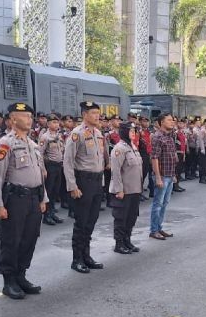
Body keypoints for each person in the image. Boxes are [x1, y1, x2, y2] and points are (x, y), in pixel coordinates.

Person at [0, 102, 47, 299]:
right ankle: (9, 280)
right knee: (11, 240)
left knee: (29, 238)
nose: (29, 119)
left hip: (33, 198)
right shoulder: (6, 143)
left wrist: (42, 198)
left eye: (30, 116)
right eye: (24, 116)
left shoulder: (33, 144)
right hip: (15, 199)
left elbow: (39, 173)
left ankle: (21, 275)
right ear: (13, 119)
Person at [63, 101, 109, 274]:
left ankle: (86, 255)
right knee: (81, 222)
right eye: (94, 113)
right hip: (83, 181)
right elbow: (67, 161)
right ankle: (77, 259)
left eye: (98, 113)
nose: (98, 116)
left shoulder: (98, 133)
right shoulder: (77, 134)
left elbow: (100, 160)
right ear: (84, 115)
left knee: (92, 220)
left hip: (97, 181)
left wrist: (102, 182)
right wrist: (72, 186)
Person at [109, 123, 143, 254]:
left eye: (134, 130)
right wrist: (119, 190)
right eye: (130, 131)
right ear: (123, 132)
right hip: (124, 190)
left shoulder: (133, 146)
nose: (133, 133)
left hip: (135, 189)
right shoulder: (119, 148)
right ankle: (119, 243)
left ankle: (127, 240)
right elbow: (116, 171)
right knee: (121, 218)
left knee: (131, 217)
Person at [149, 113, 178, 240]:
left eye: (173, 120)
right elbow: (154, 158)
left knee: (164, 203)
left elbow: (171, 157)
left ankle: (159, 228)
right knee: (158, 204)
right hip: (162, 176)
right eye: (169, 120)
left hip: (170, 174)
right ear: (161, 122)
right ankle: (154, 230)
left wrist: (174, 175)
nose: (172, 122)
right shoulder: (157, 137)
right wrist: (158, 177)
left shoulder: (170, 136)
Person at [38, 113, 65, 226]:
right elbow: (39, 154)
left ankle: (52, 212)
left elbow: (62, 150)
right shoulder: (45, 137)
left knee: (55, 190)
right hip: (50, 166)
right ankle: (46, 216)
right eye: (53, 122)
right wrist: (43, 169)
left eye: (57, 122)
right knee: (48, 191)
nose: (56, 124)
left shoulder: (59, 136)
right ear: (48, 124)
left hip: (59, 166)